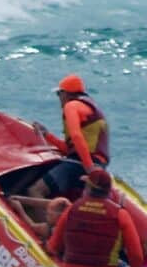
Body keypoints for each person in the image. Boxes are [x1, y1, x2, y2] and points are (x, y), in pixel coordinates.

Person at [46, 168, 142, 267]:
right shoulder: (121, 214)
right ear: (109, 191)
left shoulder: (72, 209)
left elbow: (53, 247)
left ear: (88, 188)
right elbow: (136, 255)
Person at [26, 74, 110, 207]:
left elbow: (76, 136)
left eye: (59, 93)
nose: (59, 98)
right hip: (98, 166)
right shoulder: (91, 109)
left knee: (35, 190)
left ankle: (46, 226)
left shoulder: (71, 106)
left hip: (81, 164)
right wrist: (47, 135)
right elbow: (70, 149)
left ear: (66, 94)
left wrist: (89, 168)